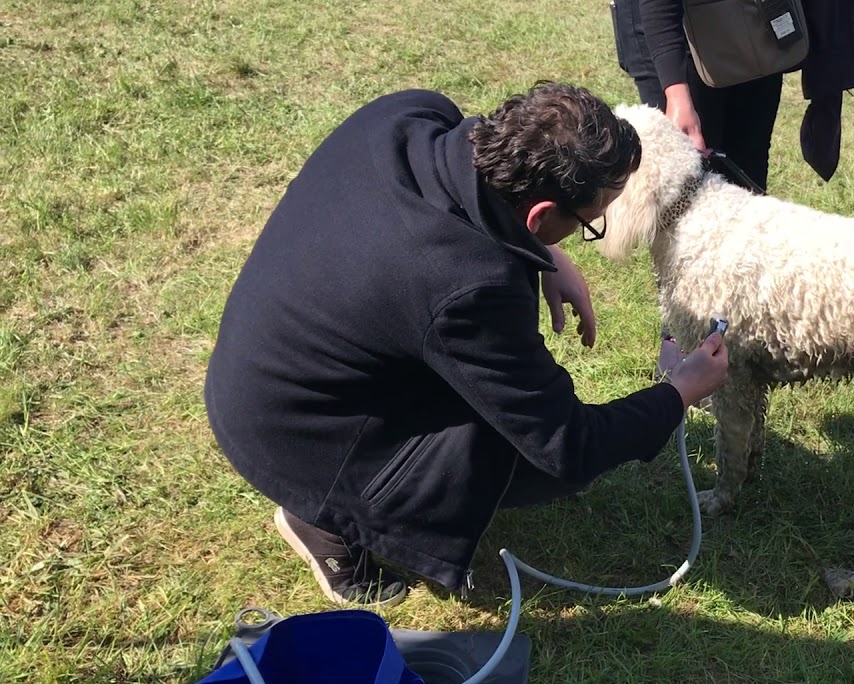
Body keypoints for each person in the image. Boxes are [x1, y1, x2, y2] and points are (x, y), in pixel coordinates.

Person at [203, 82, 730, 607]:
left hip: (264, 357)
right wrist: (679, 392)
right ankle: (326, 517)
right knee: (517, 456)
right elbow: (569, 446)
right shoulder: (467, 285)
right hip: (289, 430)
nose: (590, 230)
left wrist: (547, 257)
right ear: (541, 215)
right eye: (589, 222)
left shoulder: (409, 113)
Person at [610, 0, 787, 192]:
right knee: (687, 185)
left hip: (748, 19)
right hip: (669, 30)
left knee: (749, 174)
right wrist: (677, 96)